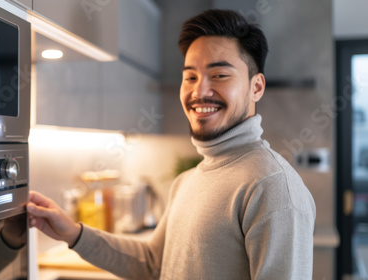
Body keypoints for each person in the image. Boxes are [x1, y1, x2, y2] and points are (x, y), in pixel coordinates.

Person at [27, 9, 316, 280]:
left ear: (256, 87)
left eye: (219, 75)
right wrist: (72, 233)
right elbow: (153, 263)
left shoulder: (272, 186)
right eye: (190, 76)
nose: (199, 90)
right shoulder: (188, 181)